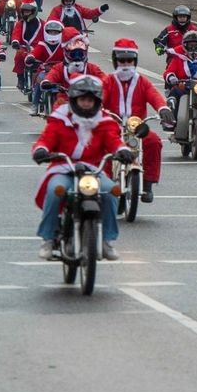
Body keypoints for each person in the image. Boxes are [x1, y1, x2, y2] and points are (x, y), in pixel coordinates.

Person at [31, 76, 129, 261]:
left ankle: (107, 241)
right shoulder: (59, 118)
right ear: (74, 100)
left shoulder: (105, 121)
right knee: (55, 190)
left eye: (90, 100)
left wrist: (122, 150)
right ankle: (48, 239)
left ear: (96, 101)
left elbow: (114, 140)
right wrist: (41, 150)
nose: (86, 103)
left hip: (94, 170)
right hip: (64, 168)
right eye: (82, 99)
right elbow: (47, 138)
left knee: (111, 191)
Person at [102, 39, 175, 202]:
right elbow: (99, 98)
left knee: (154, 141)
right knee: (101, 145)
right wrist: (95, 109)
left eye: (129, 60)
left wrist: (163, 108)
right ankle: (104, 183)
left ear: (135, 61)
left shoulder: (142, 81)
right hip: (112, 127)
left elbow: (154, 96)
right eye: (122, 60)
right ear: (115, 61)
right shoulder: (108, 80)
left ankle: (147, 183)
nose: (126, 64)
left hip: (136, 127)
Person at [42, 28, 107, 106]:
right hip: (65, 103)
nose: (77, 57)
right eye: (73, 54)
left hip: (88, 103)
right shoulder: (59, 68)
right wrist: (47, 82)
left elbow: (105, 80)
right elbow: (50, 77)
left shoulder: (92, 68)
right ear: (66, 53)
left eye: (80, 54)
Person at [25, 21, 68, 112]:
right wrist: (30, 57)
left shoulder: (65, 45)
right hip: (45, 70)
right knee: (39, 82)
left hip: (61, 71)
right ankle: (35, 105)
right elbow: (35, 53)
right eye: (51, 32)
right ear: (46, 32)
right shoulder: (42, 45)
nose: (53, 34)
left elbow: (70, 54)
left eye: (56, 32)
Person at [8, 0, 44, 89]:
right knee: (19, 56)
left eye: (28, 11)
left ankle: (40, 78)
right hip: (24, 47)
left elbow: (46, 35)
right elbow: (16, 33)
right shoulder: (20, 23)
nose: (26, 13)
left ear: (34, 11)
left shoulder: (42, 23)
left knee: (43, 61)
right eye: (24, 11)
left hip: (38, 48)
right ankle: (20, 78)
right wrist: (15, 42)